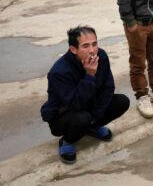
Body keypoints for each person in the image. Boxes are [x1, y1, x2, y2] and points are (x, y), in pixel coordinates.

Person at [40, 26, 130, 164]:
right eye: (85, 46)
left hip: (90, 107)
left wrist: (95, 117)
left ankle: (91, 127)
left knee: (122, 101)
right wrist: (89, 75)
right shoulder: (59, 72)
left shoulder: (102, 56)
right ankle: (67, 140)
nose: (92, 50)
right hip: (64, 115)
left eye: (94, 44)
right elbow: (75, 104)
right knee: (83, 118)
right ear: (73, 49)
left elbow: (108, 87)